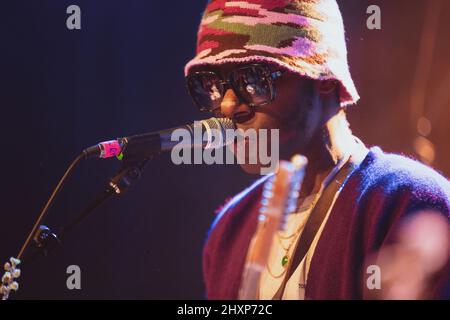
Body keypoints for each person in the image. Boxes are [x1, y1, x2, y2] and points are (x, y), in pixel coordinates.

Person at [184, 0, 450, 299]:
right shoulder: (230, 228)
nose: (227, 105)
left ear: (322, 76)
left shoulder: (407, 200)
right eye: (211, 85)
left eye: (253, 79)